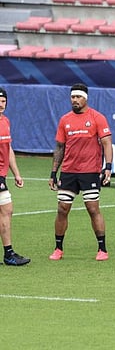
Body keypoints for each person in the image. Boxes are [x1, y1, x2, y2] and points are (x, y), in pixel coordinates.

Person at [48, 83, 113, 261]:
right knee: (62, 209)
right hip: (69, 171)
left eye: (78, 97)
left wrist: (108, 166)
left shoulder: (97, 117)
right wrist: (54, 172)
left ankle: (102, 249)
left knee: (93, 208)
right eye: (72, 97)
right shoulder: (65, 120)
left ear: (86, 98)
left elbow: (107, 142)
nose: (75, 100)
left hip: (90, 171)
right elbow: (60, 147)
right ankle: (58, 248)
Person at [0, 88, 30, 266]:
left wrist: (16, 173)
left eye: (3, 101)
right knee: (6, 209)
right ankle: (8, 254)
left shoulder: (5, 121)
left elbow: (8, 148)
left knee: (6, 210)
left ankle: (9, 253)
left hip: (2, 175)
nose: (0, 104)